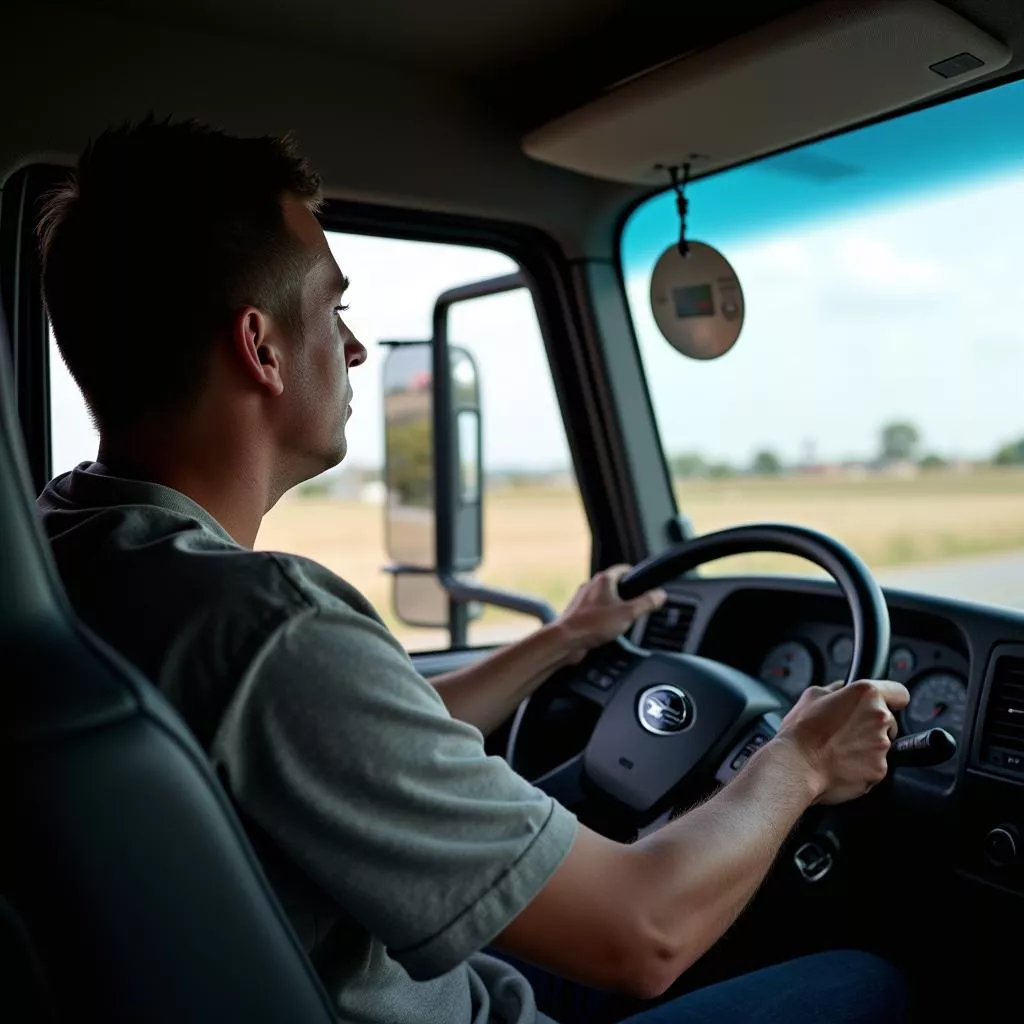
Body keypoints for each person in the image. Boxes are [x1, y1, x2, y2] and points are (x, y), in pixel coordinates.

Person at [36, 118, 910, 1024]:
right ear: (260, 349)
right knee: (868, 983)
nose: (355, 347)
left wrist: (563, 640)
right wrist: (800, 759)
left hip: (406, 979)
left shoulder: (68, 543)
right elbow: (643, 932)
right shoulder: (268, 627)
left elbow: (359, 733)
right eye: (334, 310)